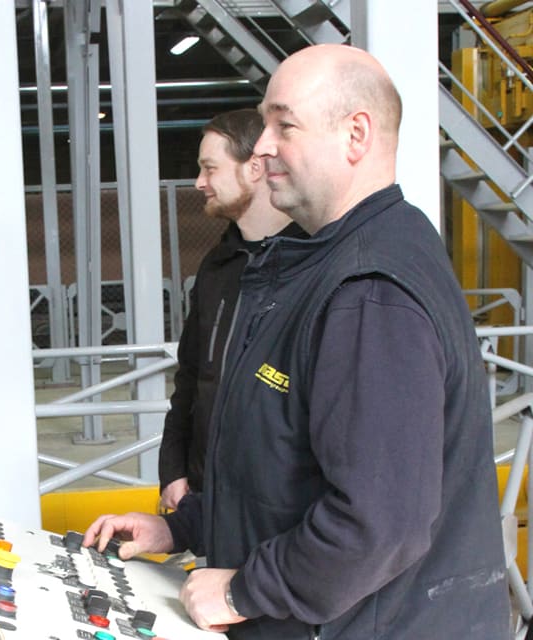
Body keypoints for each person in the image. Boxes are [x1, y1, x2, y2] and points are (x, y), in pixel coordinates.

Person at [84, 44, 510, 640]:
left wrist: (241, 591)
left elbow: (378, 523)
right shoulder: (319, 263)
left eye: (284, 125)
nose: (262, 146)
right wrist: (182, 529)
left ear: (355, 136)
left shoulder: (369, 291)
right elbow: (281, 467)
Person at [159, 109, 304, 510]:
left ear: (255, 168)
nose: (199, 182)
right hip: (206, 496)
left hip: (274, 508)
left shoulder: (311, 265)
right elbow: (191, 376)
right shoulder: (218, 266)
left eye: (210, 168)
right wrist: (173, 469)